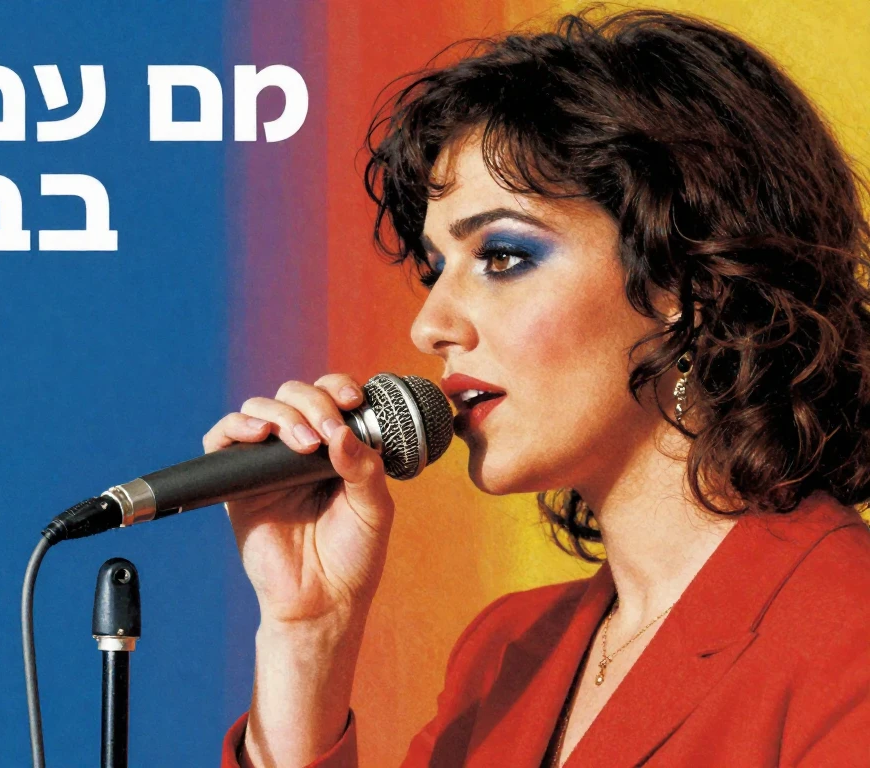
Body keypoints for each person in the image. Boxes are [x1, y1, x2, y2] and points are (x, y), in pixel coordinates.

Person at [209, 8, 870, 767]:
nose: (430, 325)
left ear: (686, 281)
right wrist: (308, 635)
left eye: (502, 257)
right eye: (435, 268)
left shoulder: (847, 640)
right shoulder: (504, 656)